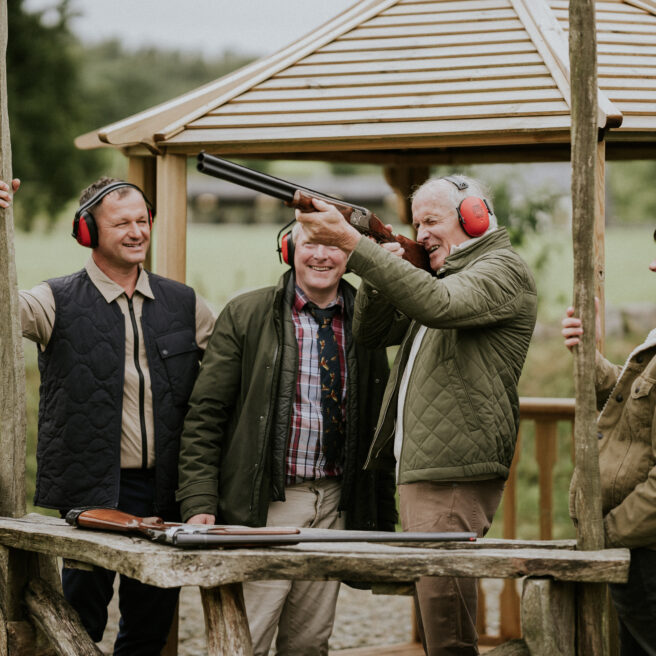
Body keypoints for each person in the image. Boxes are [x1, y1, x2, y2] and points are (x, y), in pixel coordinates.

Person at [295, 175, 538, 656]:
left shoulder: (501, 269)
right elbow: (370, 331)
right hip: (430, 462)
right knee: (440, 612)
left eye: (432, 221)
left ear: (474, 216)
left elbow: (438, 305)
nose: (422, 234)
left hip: (454, 466)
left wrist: (354, 244)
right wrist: (382, 268)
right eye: (417, 223)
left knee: (446, 623)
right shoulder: (442, 274)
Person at [1, 177, 216, 655]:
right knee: (78, 622)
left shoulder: (185, 303)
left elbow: (224, 382)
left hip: (165, 490)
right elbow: (1, 307)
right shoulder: (53, 300)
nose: (137, 231)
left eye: (143, 221)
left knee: (149, 625)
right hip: (90, 488)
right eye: (122, 223)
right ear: (87, 231)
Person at [176, 220, 396, 656]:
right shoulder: (245, 313)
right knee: (247, 638)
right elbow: (206, 414)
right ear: (289, 246)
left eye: (335, 246)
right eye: (312, 242)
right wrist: (198, 501)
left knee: (310, 641)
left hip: (336, 501)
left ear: (351, 255)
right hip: (267, 505)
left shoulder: (369, 321)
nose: (322, 256)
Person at [562, 239, 656, 655]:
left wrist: (608, 533)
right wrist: (589, 355)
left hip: (645, 549)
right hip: (638, 550)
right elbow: (638, 403)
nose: (652, 266)